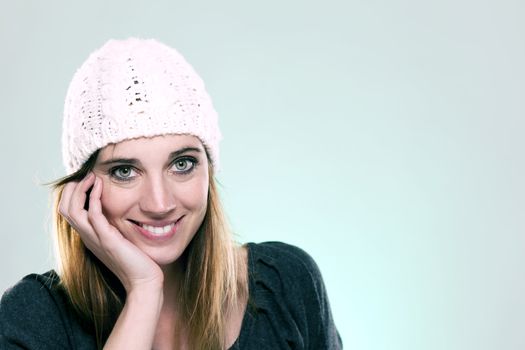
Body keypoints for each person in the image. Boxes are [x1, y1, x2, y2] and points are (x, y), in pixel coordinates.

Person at [0, 38, 342, 349]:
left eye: (181, 164)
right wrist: (144, 291)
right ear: (83, 189)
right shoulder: (34, 319)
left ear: (209, 169)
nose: (159, 204)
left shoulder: (287, 283)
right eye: (124, 171)